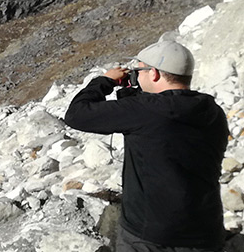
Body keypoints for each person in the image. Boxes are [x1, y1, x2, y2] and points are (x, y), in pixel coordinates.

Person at [65, 35, 230, 251]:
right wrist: (131, 91)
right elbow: (156, 120)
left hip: (150, 236)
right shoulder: (212, 111)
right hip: (205, 232)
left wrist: (105, 81)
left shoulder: (144, 111)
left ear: (154, 73)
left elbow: (76, 115)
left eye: (140, 70)